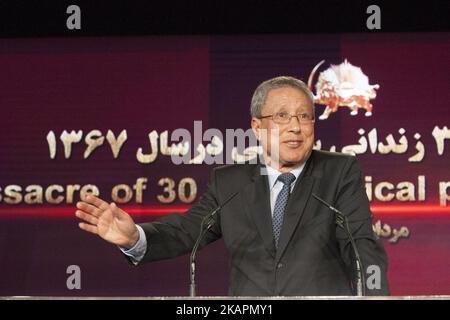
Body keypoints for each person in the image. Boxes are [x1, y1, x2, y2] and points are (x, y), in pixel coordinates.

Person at [75, 76, 389, 296]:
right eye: (282, 116)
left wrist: (375, 298)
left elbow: (361, 245)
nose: (296, 126)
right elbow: (187, 230)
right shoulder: (231, 182)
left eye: (304, 116)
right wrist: (135, 238)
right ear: (257, 126)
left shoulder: (339, 171)